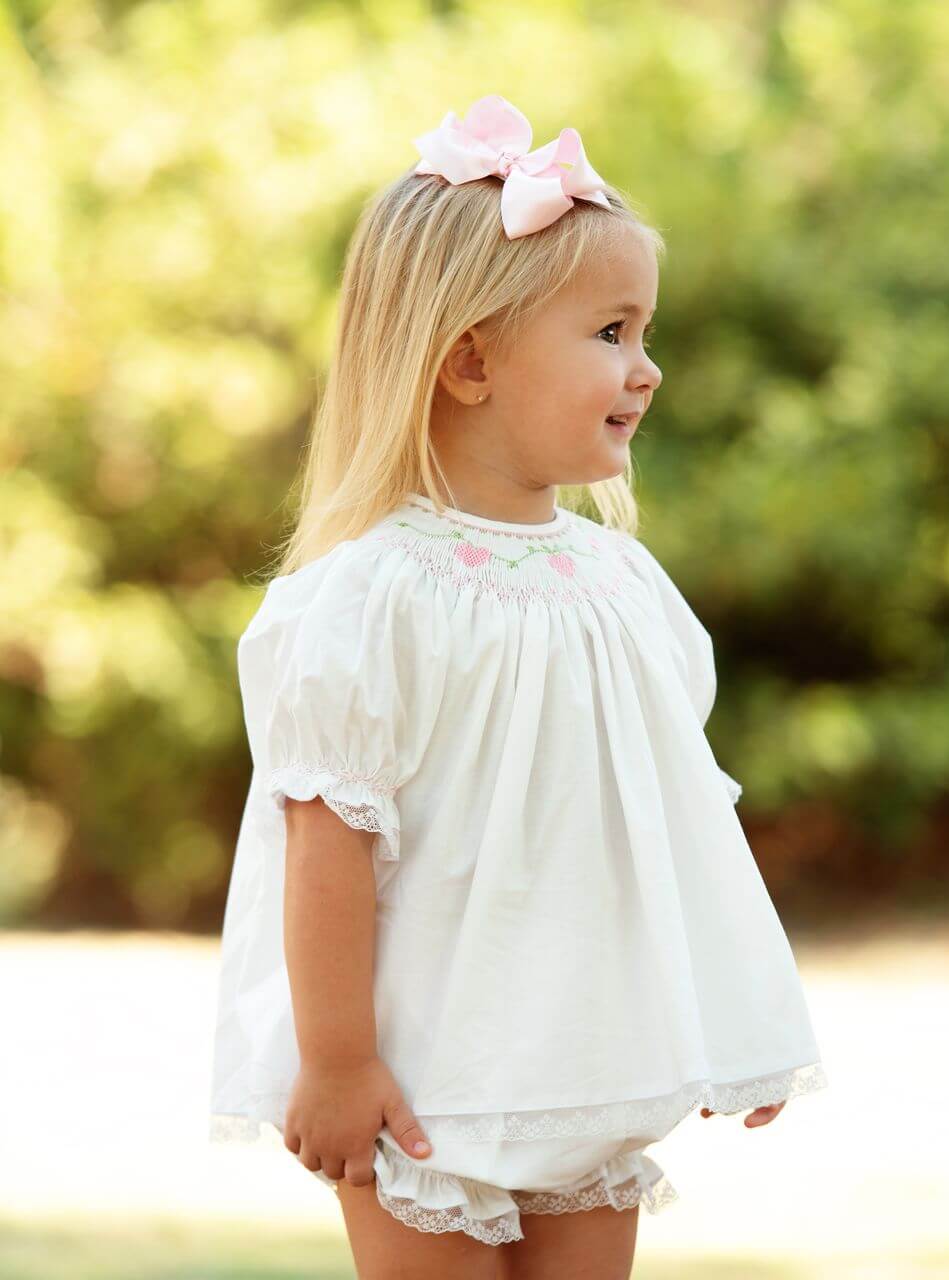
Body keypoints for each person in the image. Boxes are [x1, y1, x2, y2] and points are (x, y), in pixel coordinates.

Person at [208, 93, 828, 1279]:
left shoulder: (622, 584)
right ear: (469, 361)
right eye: (610, 333)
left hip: (587, 1055)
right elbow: (326, 837)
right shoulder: (369, 596)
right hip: (416, 1075)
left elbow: (679, 818)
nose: (646, 369)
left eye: (643, 333)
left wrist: (732, 1012)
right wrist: (337, 1059)